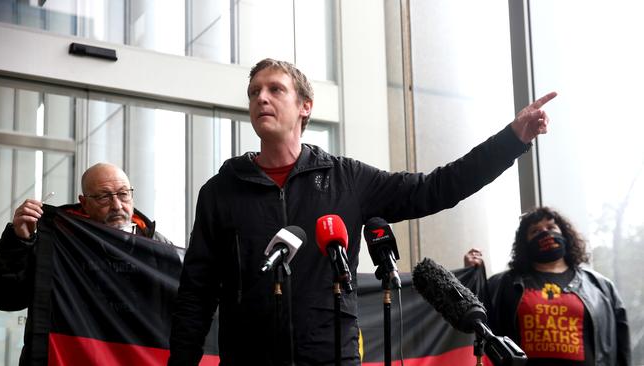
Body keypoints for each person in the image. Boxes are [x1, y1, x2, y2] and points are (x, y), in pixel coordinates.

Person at [168, 57, 557, 366]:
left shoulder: (346, 179)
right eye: (254, 92)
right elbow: (196, 294)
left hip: (331, 358)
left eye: (274, 89)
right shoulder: (221, 191)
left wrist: (511, 141)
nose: (261, 98)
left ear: (305, 106)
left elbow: (436, 188)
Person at [0, 162, 174, 363]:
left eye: (123, 194)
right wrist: (20, 240)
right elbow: (6, 297)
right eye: (104, 197)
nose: (117, 205)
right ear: (84, 202)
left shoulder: (158, 247)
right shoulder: (58, 242)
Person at [464, 207, 631, 365]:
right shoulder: (501, 285)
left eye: (551, 227)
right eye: (535, 231)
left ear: (565, 235)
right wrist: (471, 275)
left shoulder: (601, 287)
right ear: (525, 243)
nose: (545, 232)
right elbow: (473, 323)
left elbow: (621, 346)